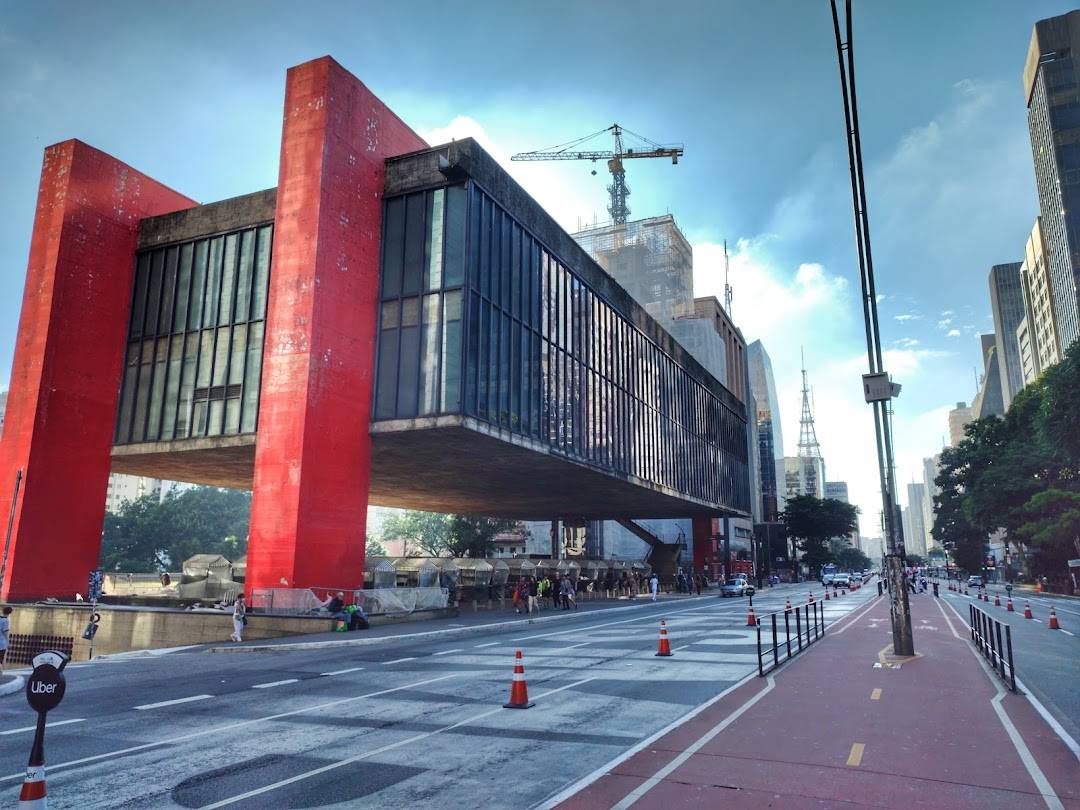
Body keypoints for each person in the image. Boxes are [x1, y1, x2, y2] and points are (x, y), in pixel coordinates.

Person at [0, 606, 11, 672]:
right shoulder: (6, 620)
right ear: (10, 613)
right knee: (0, 659)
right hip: (2, 644)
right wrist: (8, 642)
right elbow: (5, 633)